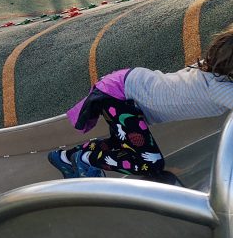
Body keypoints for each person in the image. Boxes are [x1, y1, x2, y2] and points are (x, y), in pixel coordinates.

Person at [48, 23, 233, 182]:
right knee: (150, 162)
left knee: (123, 143)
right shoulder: (219, 87)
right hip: (121, 93)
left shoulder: (212, 71)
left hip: (126, 86)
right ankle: (86, 158)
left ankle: (64, 158)